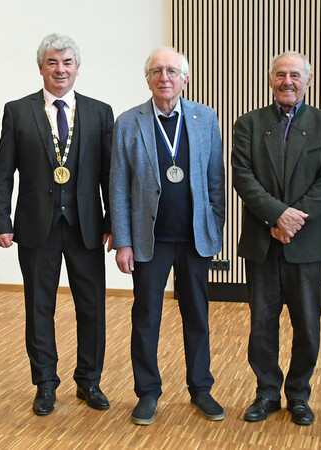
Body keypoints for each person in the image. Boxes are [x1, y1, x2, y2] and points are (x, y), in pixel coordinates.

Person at [0, 33, 114, 416]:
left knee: (91, 307)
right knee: (38, 306)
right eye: (52, 63)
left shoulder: (99, 112)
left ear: (77, 67)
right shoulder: (18, 110)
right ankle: (45, 384)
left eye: (67, 63)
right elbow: (2, 173)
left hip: (86, 227)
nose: (60, 70)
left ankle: (89, 381)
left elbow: (110, 175)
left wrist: (115, 223)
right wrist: (0, 219)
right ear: (41, 67)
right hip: (35, 226)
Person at [110, 47, 225, 426]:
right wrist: (123, 241)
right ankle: (147, 392)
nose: (165, 77)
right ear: (148, 79)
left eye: (173, 71)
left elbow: (214, 181)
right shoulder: (129, 122)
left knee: (197, 316)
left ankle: (201, 389)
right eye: (157, 71)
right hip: (150, 239)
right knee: (146, 317)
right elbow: (119, 187)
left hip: (194, 239)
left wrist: (215, 225)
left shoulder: (206, 118)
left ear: (185, 79)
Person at [231, 51, 321, 426]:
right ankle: (266, 393)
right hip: (262, 242)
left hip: (306, 243)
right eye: (281, 74)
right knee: (262, 322)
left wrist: (292, 220)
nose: (287, 81)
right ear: (271, 79)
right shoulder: (248, 124)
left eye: (295, 75)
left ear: (308, 81)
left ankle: (298, 394)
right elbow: (242, 177)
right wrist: (276, 215)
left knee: (307, 324)